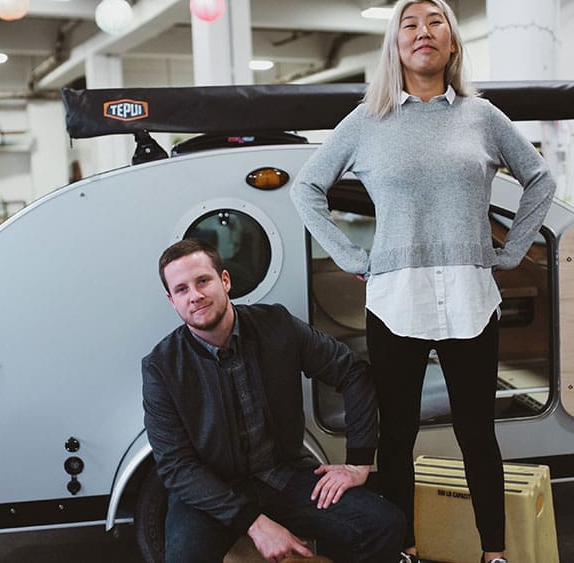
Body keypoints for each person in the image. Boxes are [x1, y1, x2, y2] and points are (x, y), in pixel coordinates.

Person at [290, 0, 556, 563]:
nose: (423, 31)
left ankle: (493, 553)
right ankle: (404, 548)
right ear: (396, 44)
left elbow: (540, 180)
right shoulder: (368, 121)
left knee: (477, 436)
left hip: (469, 295)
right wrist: (351, 256)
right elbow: (306, 188)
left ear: (453, 40)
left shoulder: (481, 116)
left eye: (436, 22)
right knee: (397, 436)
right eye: (410, 24)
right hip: (396, 298)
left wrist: (511, 251)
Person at [142, 238, 404, 563]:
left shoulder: (276, 325)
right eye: (181, 289)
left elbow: (352, 372)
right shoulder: (161, 366)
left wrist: (359, 462)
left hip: (283, 476)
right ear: (172, 300)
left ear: (225, 280)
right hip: (213, 492)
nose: (194, 295)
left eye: (203, 281)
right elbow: (176, 466)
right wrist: (254, 524)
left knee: (384, 524)